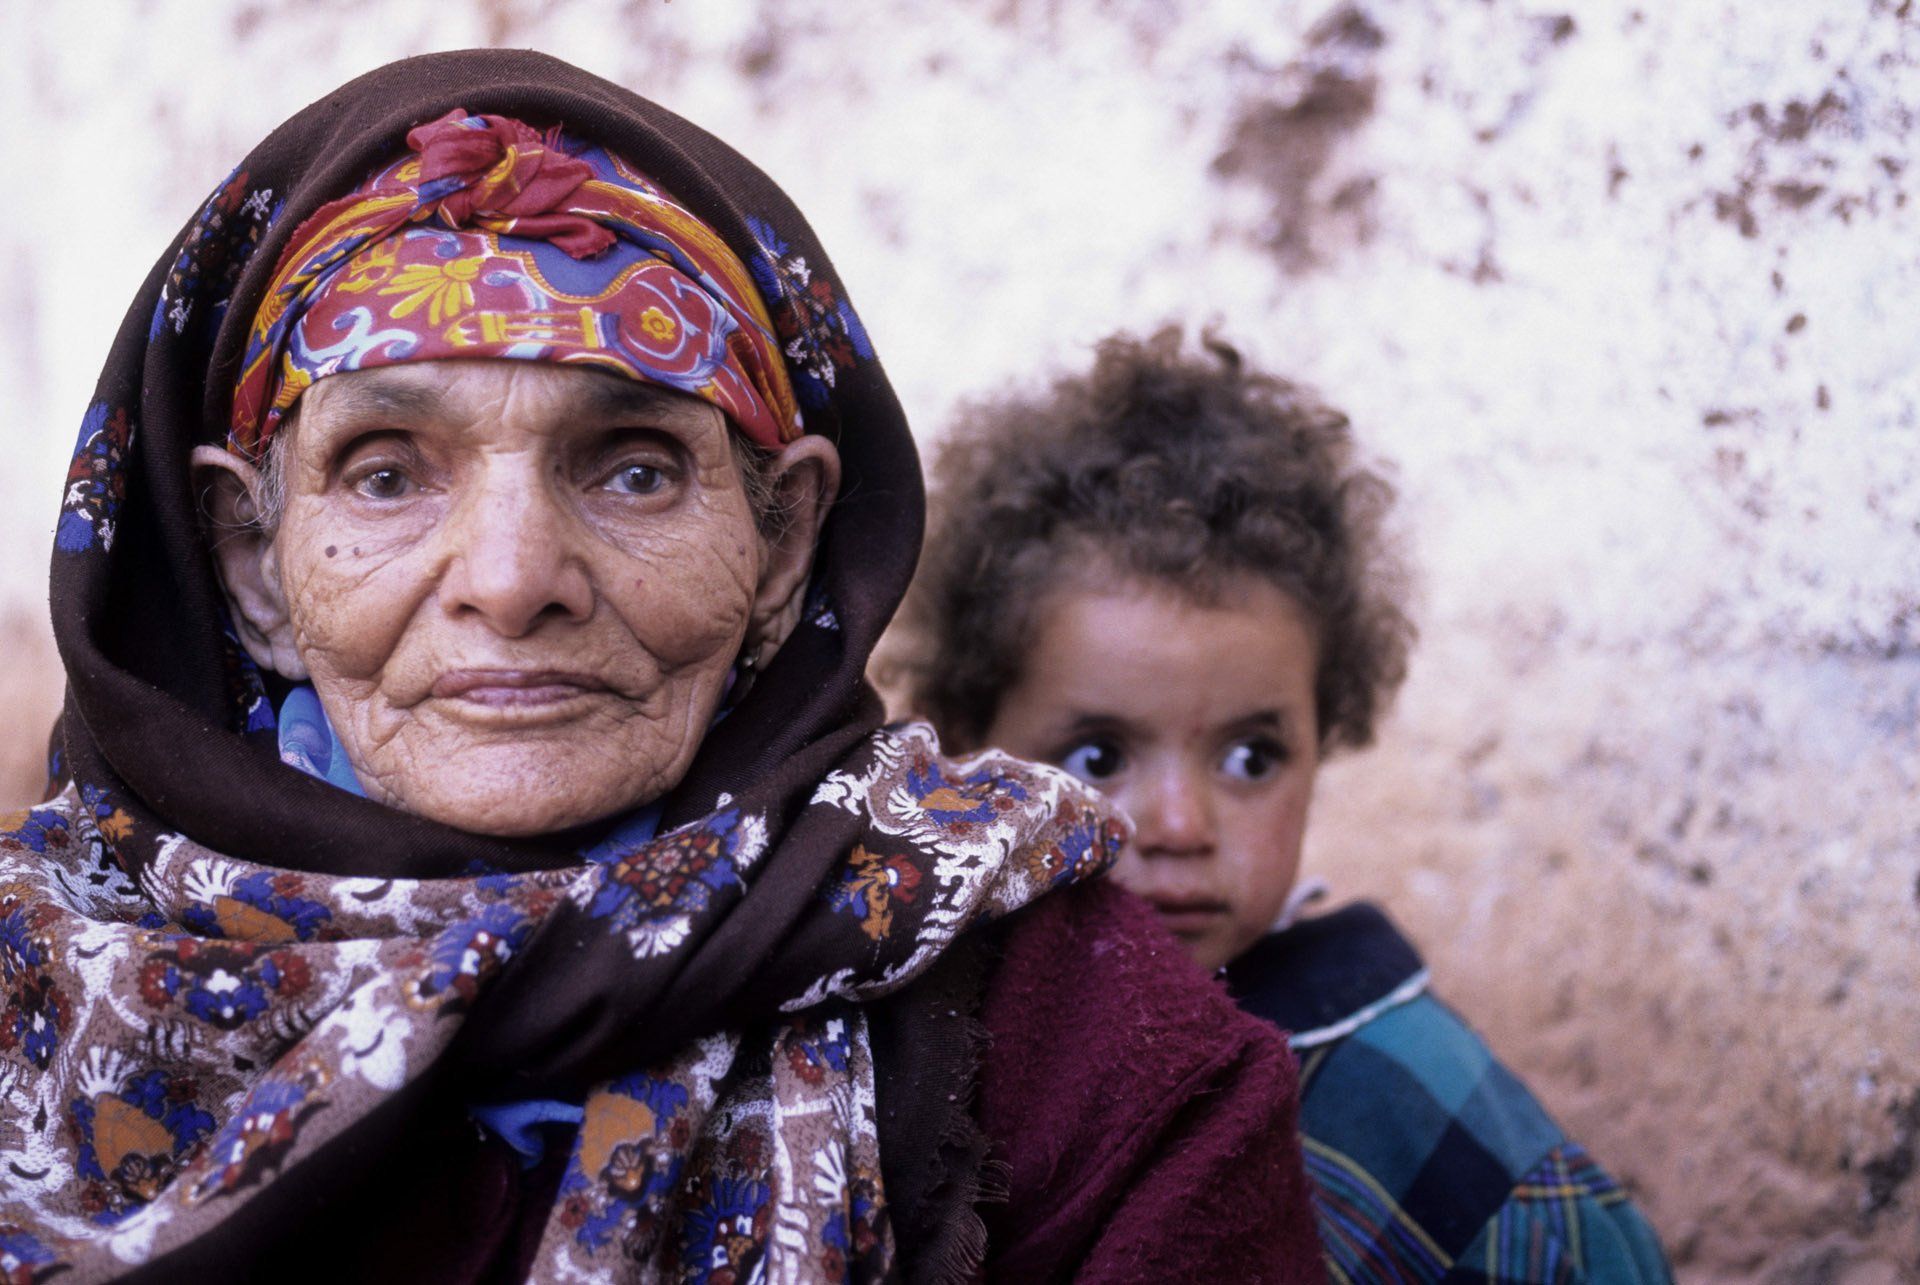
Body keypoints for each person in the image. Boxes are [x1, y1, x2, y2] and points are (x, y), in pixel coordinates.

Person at [0, 54, 1324, 1283]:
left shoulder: (1080, 1040)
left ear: (782, 544)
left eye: (633, 467)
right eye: (389, 472)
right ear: (252, 568)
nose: (514, 579)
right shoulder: (32, 988)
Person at [894, 327, 1675, 1282]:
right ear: (975, 746)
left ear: (1325, 733)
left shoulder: (1423, 1117)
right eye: (1099, 755)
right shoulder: (927, 1044)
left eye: (1252, 756)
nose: (1181, 826)